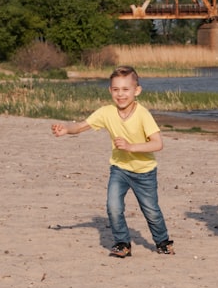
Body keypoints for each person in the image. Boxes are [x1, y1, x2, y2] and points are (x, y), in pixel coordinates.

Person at [51, 65, 174, 258]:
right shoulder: (106, 112)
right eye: (116, 90)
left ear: (137, 91)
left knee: (151, 211)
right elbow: (81, 126)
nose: (121, 94)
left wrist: (131, 146)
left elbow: (158, 144)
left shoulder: (143, 114)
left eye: (125, 90)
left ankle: (163, 241)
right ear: (110, 91)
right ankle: (122, 243)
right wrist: (66, 129)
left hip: (144, 172)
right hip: (120, 169)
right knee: (113, 207)